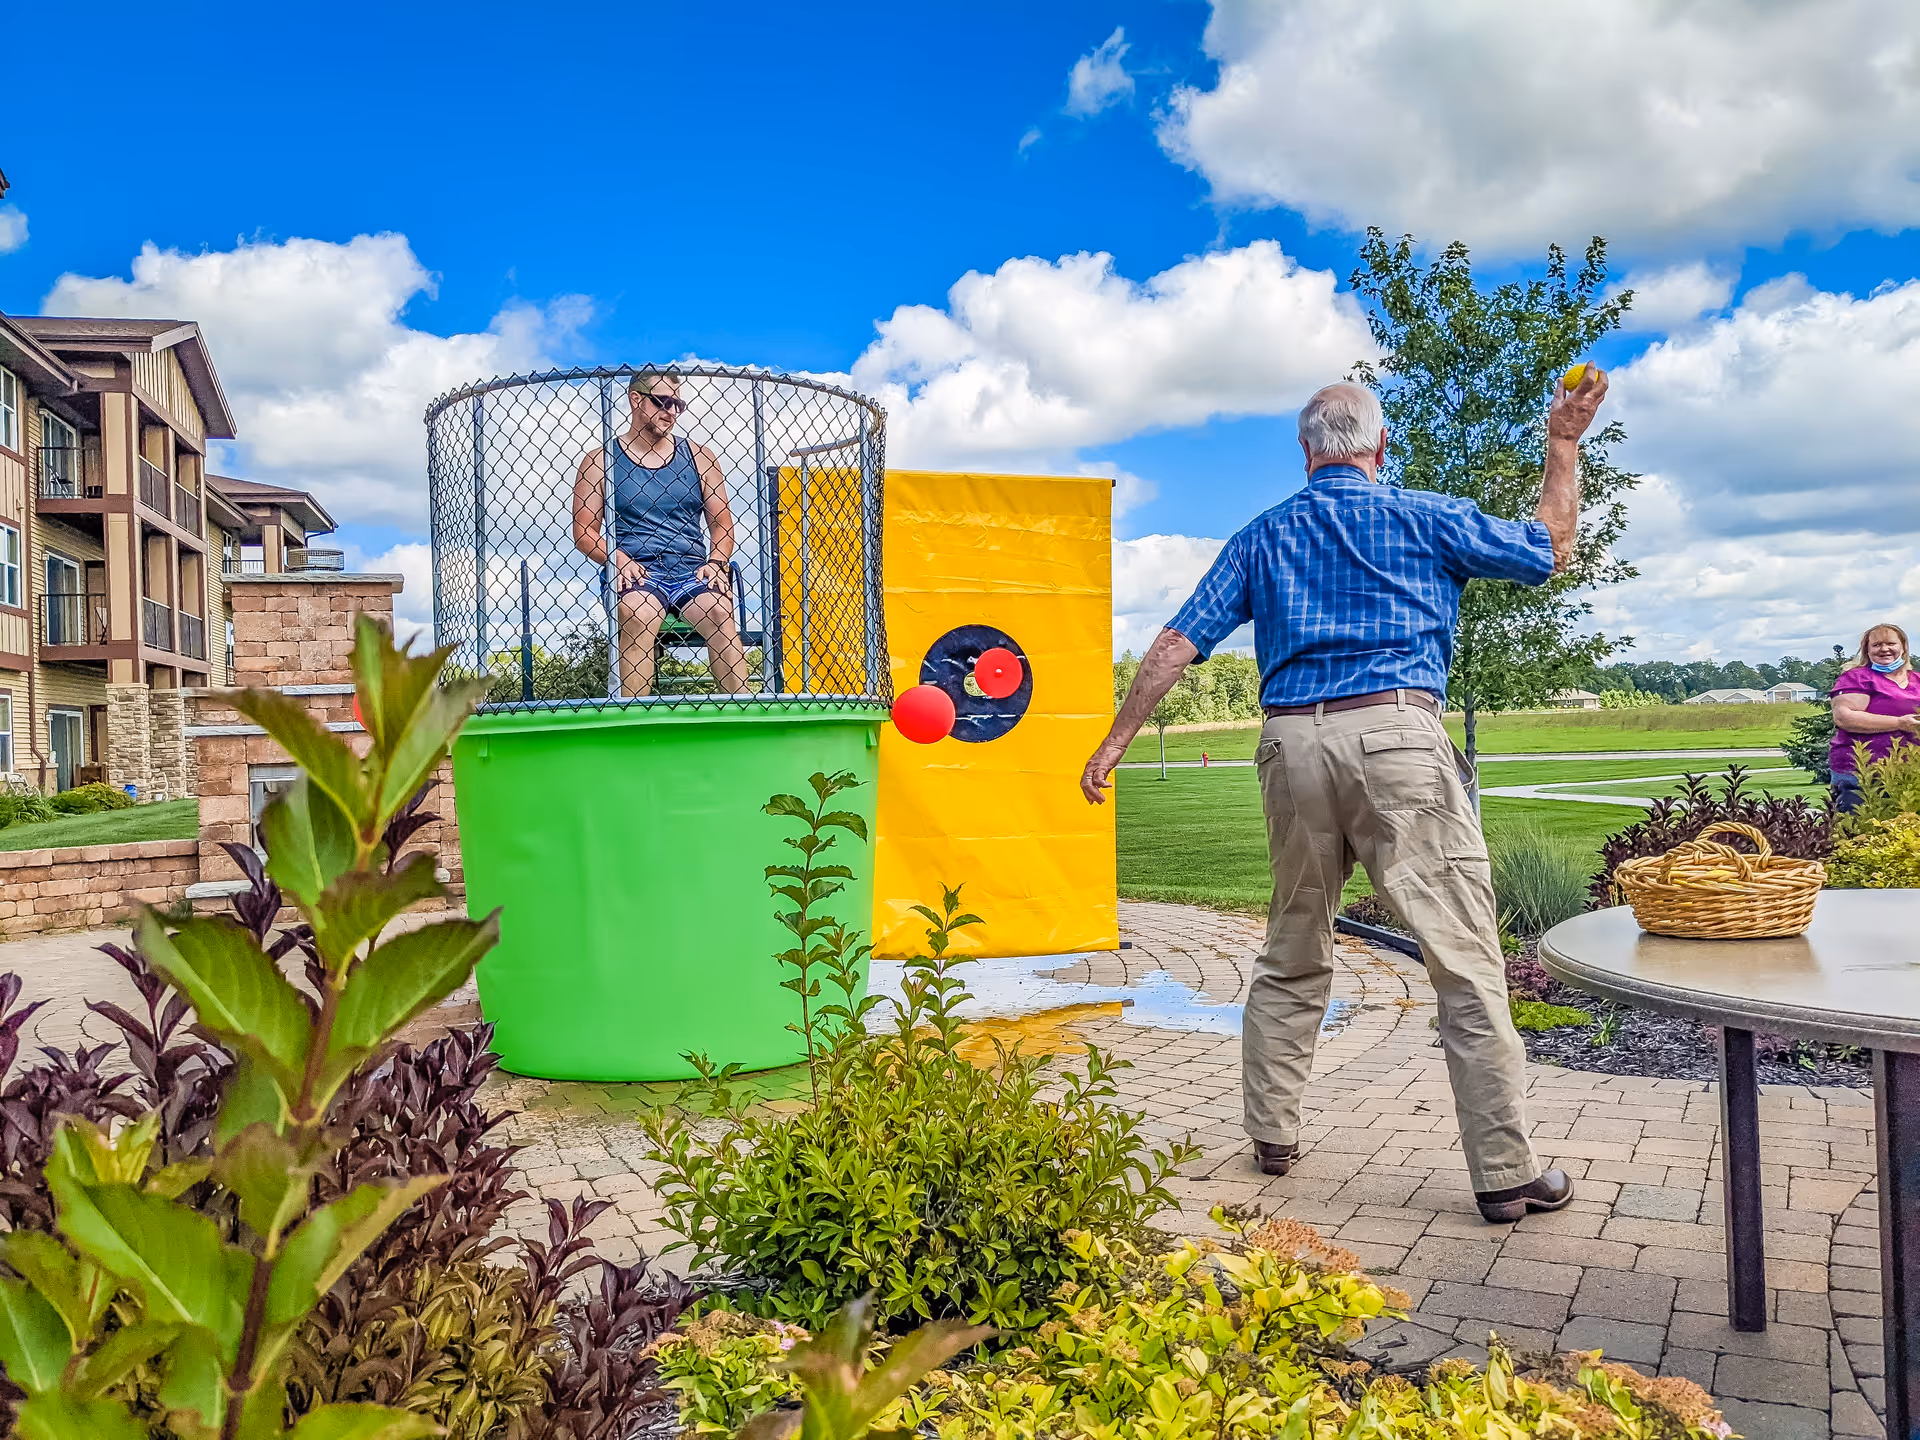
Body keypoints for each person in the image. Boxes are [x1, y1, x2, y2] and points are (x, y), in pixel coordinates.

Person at [1080, 371, 1610, 1224]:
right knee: (1462, 958)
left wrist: (1114, 743)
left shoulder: (1263, 535)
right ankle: (1505, 1172)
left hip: (1290, 744)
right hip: (1397, 734)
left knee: (1294, 942)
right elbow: (1549, 550)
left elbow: (1178, 643)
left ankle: (1273, 1133)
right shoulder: (1424, 516)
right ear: (1380, 446)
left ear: (1305, 451)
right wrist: (1563, 444)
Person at [572, 371, 747, 696]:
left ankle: (743, 716)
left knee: (721, 613)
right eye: (664, 402)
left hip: (692, 570)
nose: (672, 412)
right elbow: (584, 531)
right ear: (636, 399)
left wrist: (718, 561)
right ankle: (633, 724)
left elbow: (722, 522)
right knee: (637, 615)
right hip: (638, 571)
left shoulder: (700, 457)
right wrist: (617, 558)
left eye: (678, 404)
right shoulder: (600, 461)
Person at [1829, 623, 1920, 812]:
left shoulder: (1917, 680)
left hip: (1910, 775)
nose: (1884, 649)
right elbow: (1844, 717)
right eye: (1877, 645)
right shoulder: (1857, 678)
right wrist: (1900, 723)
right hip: (1861, 775)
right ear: (1867, 650)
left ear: (1903, 647)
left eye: (1890, 643)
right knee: (1859, 834)